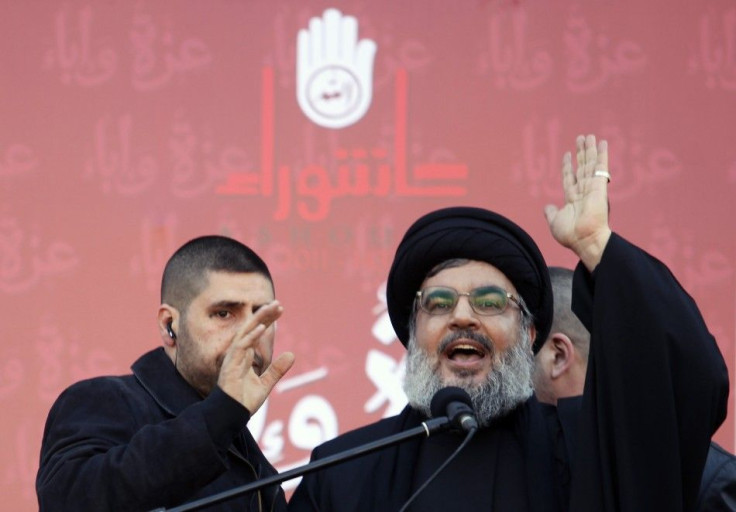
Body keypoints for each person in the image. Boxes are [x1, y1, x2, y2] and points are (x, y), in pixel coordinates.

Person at [288, 135, 729, 512]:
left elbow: (688, 385)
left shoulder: (582, 449)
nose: (462, 316)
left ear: (529, 334)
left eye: (490, 301)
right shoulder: (342, 472)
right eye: (439, 303)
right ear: (412, 333)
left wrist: (598, 246)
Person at [37, 235, 296, 512]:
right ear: (169, 324)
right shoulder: (104, 400)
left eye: (262, 317)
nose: (250, 332)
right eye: (223, 313)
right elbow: (70, 501)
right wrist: (222, 414)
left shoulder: (250, 456)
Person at [534, 266, 736, 512]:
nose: (504, 367)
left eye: (519, 348)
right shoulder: (520, 462)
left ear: (558, 355)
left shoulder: (703, 477)